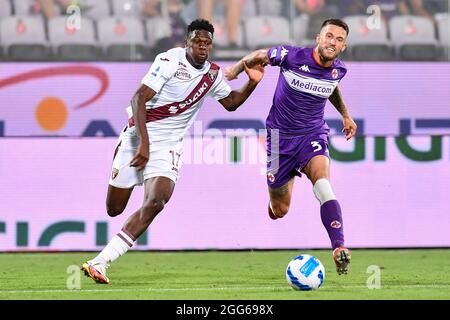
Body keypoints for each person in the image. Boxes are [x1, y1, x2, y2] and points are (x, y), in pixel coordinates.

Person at [81, 19, 264, 284]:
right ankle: (125, 170)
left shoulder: (211, 75)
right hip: (137, 137)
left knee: (157, 201)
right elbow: (138, 98)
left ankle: (101, 262)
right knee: (113, 208)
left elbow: (231, 103)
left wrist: (252, 82)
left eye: (207, 43)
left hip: (169, 145)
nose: (202, 47)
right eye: (197, 42)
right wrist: (144, 144)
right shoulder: (169, 60)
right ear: (187, 43)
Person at [225, 18, 357, 275]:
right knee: (280, 210)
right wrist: (237, 69)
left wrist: (345, 115)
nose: (333, 42)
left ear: (344, 46)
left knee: (323, 182)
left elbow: (330, 86)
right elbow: (260, 56)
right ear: (318, 38)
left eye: (339, 39)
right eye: (329, 36)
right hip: (278, 139)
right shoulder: (291, 56)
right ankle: (284, 185)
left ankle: (339, 246)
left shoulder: (337, 70)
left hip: (312, 134)